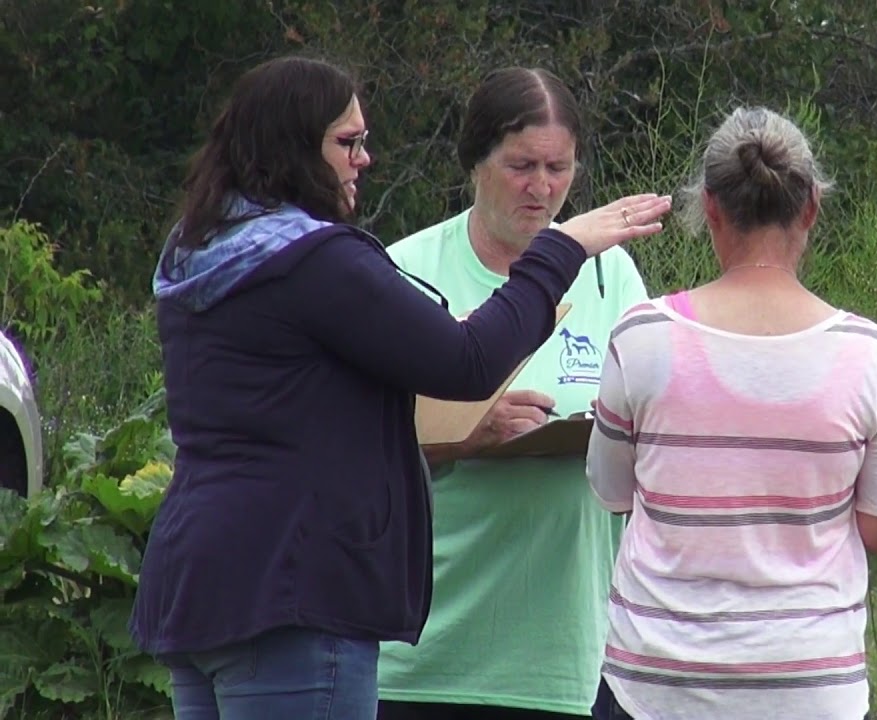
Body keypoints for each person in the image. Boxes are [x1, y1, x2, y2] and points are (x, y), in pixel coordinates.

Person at [128, 55, 670, 720]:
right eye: (347, 142)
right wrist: (562, 252)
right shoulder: (315, 261)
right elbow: (467, 362)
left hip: (202, 583)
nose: (365, 158)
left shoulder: (203, 254)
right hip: (294, 590)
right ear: (295, 146)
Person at [585, 106, 877, 720]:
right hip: (811, 690)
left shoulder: (640, 335)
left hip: (657, 687)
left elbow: (612, 492)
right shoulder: (868, 354)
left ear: (709, 208)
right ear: (812, 208)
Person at [375, 68, 653, 720]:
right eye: (521, 165)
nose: (543, 187)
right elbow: (353, 448)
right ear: (476, 161)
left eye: (559, 167)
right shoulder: (405, 271)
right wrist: (466, 426)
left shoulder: (610, 273)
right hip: (423, 658)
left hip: (568, 656)